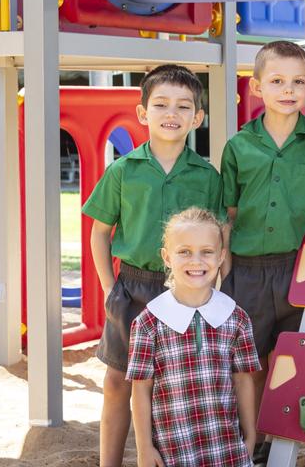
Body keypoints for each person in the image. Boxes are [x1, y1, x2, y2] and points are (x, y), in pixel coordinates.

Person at [84, 64, 225, 467]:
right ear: (143, 112)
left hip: (187, 291)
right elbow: (100, 233)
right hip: (132, 287)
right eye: (161, 104)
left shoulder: (206, 176)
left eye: (183, 106)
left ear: (197, 117)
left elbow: (218, 237)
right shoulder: (122, 171)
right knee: (117, 380)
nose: (172, 113)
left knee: (177, 384)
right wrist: (111, 286)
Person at [218, 40, 305, 452]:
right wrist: (225, 272)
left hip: (299, 270)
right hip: (247, 271)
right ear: (256, 88)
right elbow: (228, 214)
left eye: (298, 82)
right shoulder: (238, 146)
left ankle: (280, 439)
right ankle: (249, 441)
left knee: (292, 361)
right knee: (248, 363)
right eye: (277, 81)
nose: (288, 90)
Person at [128, 207, 261, 467]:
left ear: (221, 256)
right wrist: (144, 448)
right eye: (184, 251)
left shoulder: (236, 318)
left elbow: (244, 381)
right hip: (174, 451)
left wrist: (251, 434)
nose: (196, 261)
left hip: (226, 449)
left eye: (207, 252)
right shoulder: (149, 322)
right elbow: (141, 390)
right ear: (167, 257)